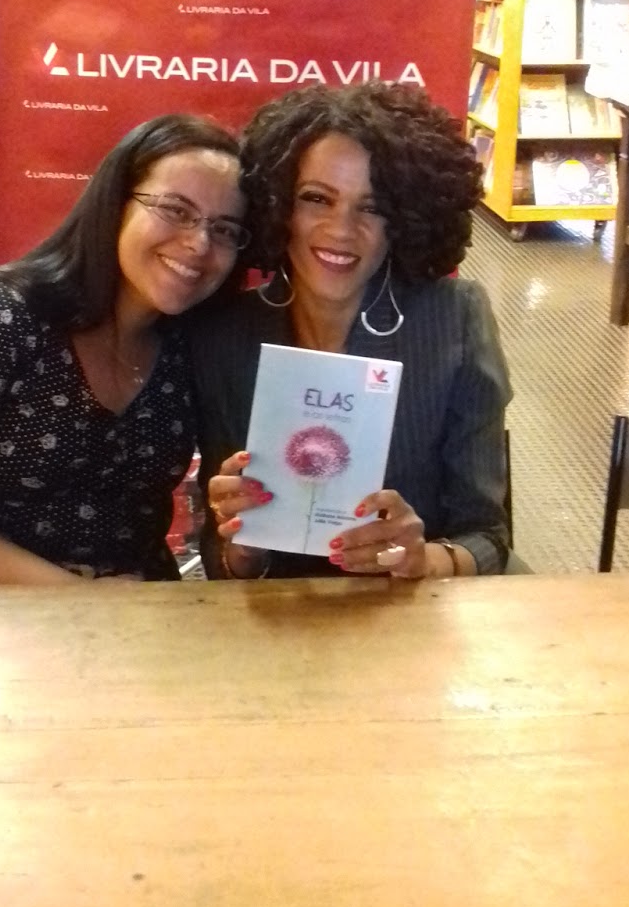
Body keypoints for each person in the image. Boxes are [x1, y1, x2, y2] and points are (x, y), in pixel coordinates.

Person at [0, 114, 249, 586]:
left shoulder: (192, 345)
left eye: (225, 230)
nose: (199, 243)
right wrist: (79, 604)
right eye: (175, 210)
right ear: (116, 204)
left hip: (132, 615)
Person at [192, 81, 513, 582]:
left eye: (372, 206)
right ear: (279, 205)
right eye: (317, 199)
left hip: (409, 611)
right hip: (277, 616)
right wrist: (242, 547)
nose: (342, 229)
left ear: (403, 218)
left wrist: (424, 559)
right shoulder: (228, 334)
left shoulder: (454, 321)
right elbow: (223, 557)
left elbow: (489, 537)